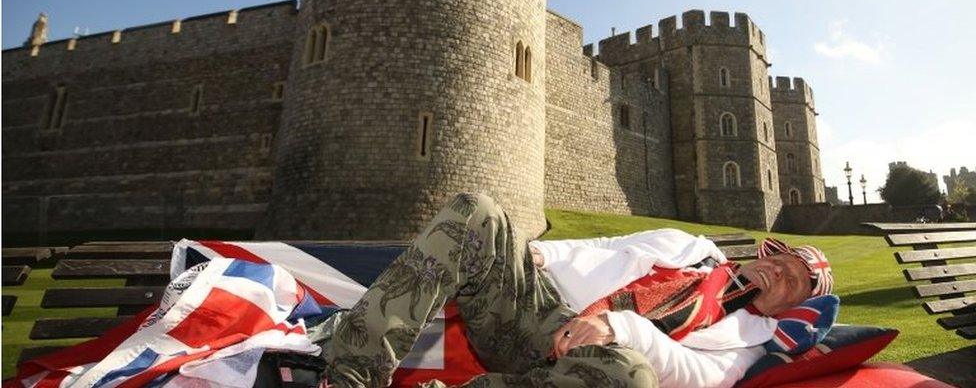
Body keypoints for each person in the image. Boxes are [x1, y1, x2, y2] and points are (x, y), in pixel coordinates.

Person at [317, 193, 833, 388]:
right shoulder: (686, 245)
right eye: (780, 262)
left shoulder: (746, 340)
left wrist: (615, 327)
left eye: (793, 283)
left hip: (592, 364)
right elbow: (608, 244)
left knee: (630, 377)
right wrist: (541, 255)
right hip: (539, 313)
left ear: (792, 307)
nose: (778, 274)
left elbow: (698, 378)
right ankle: (348, 376)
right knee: (479, 212)